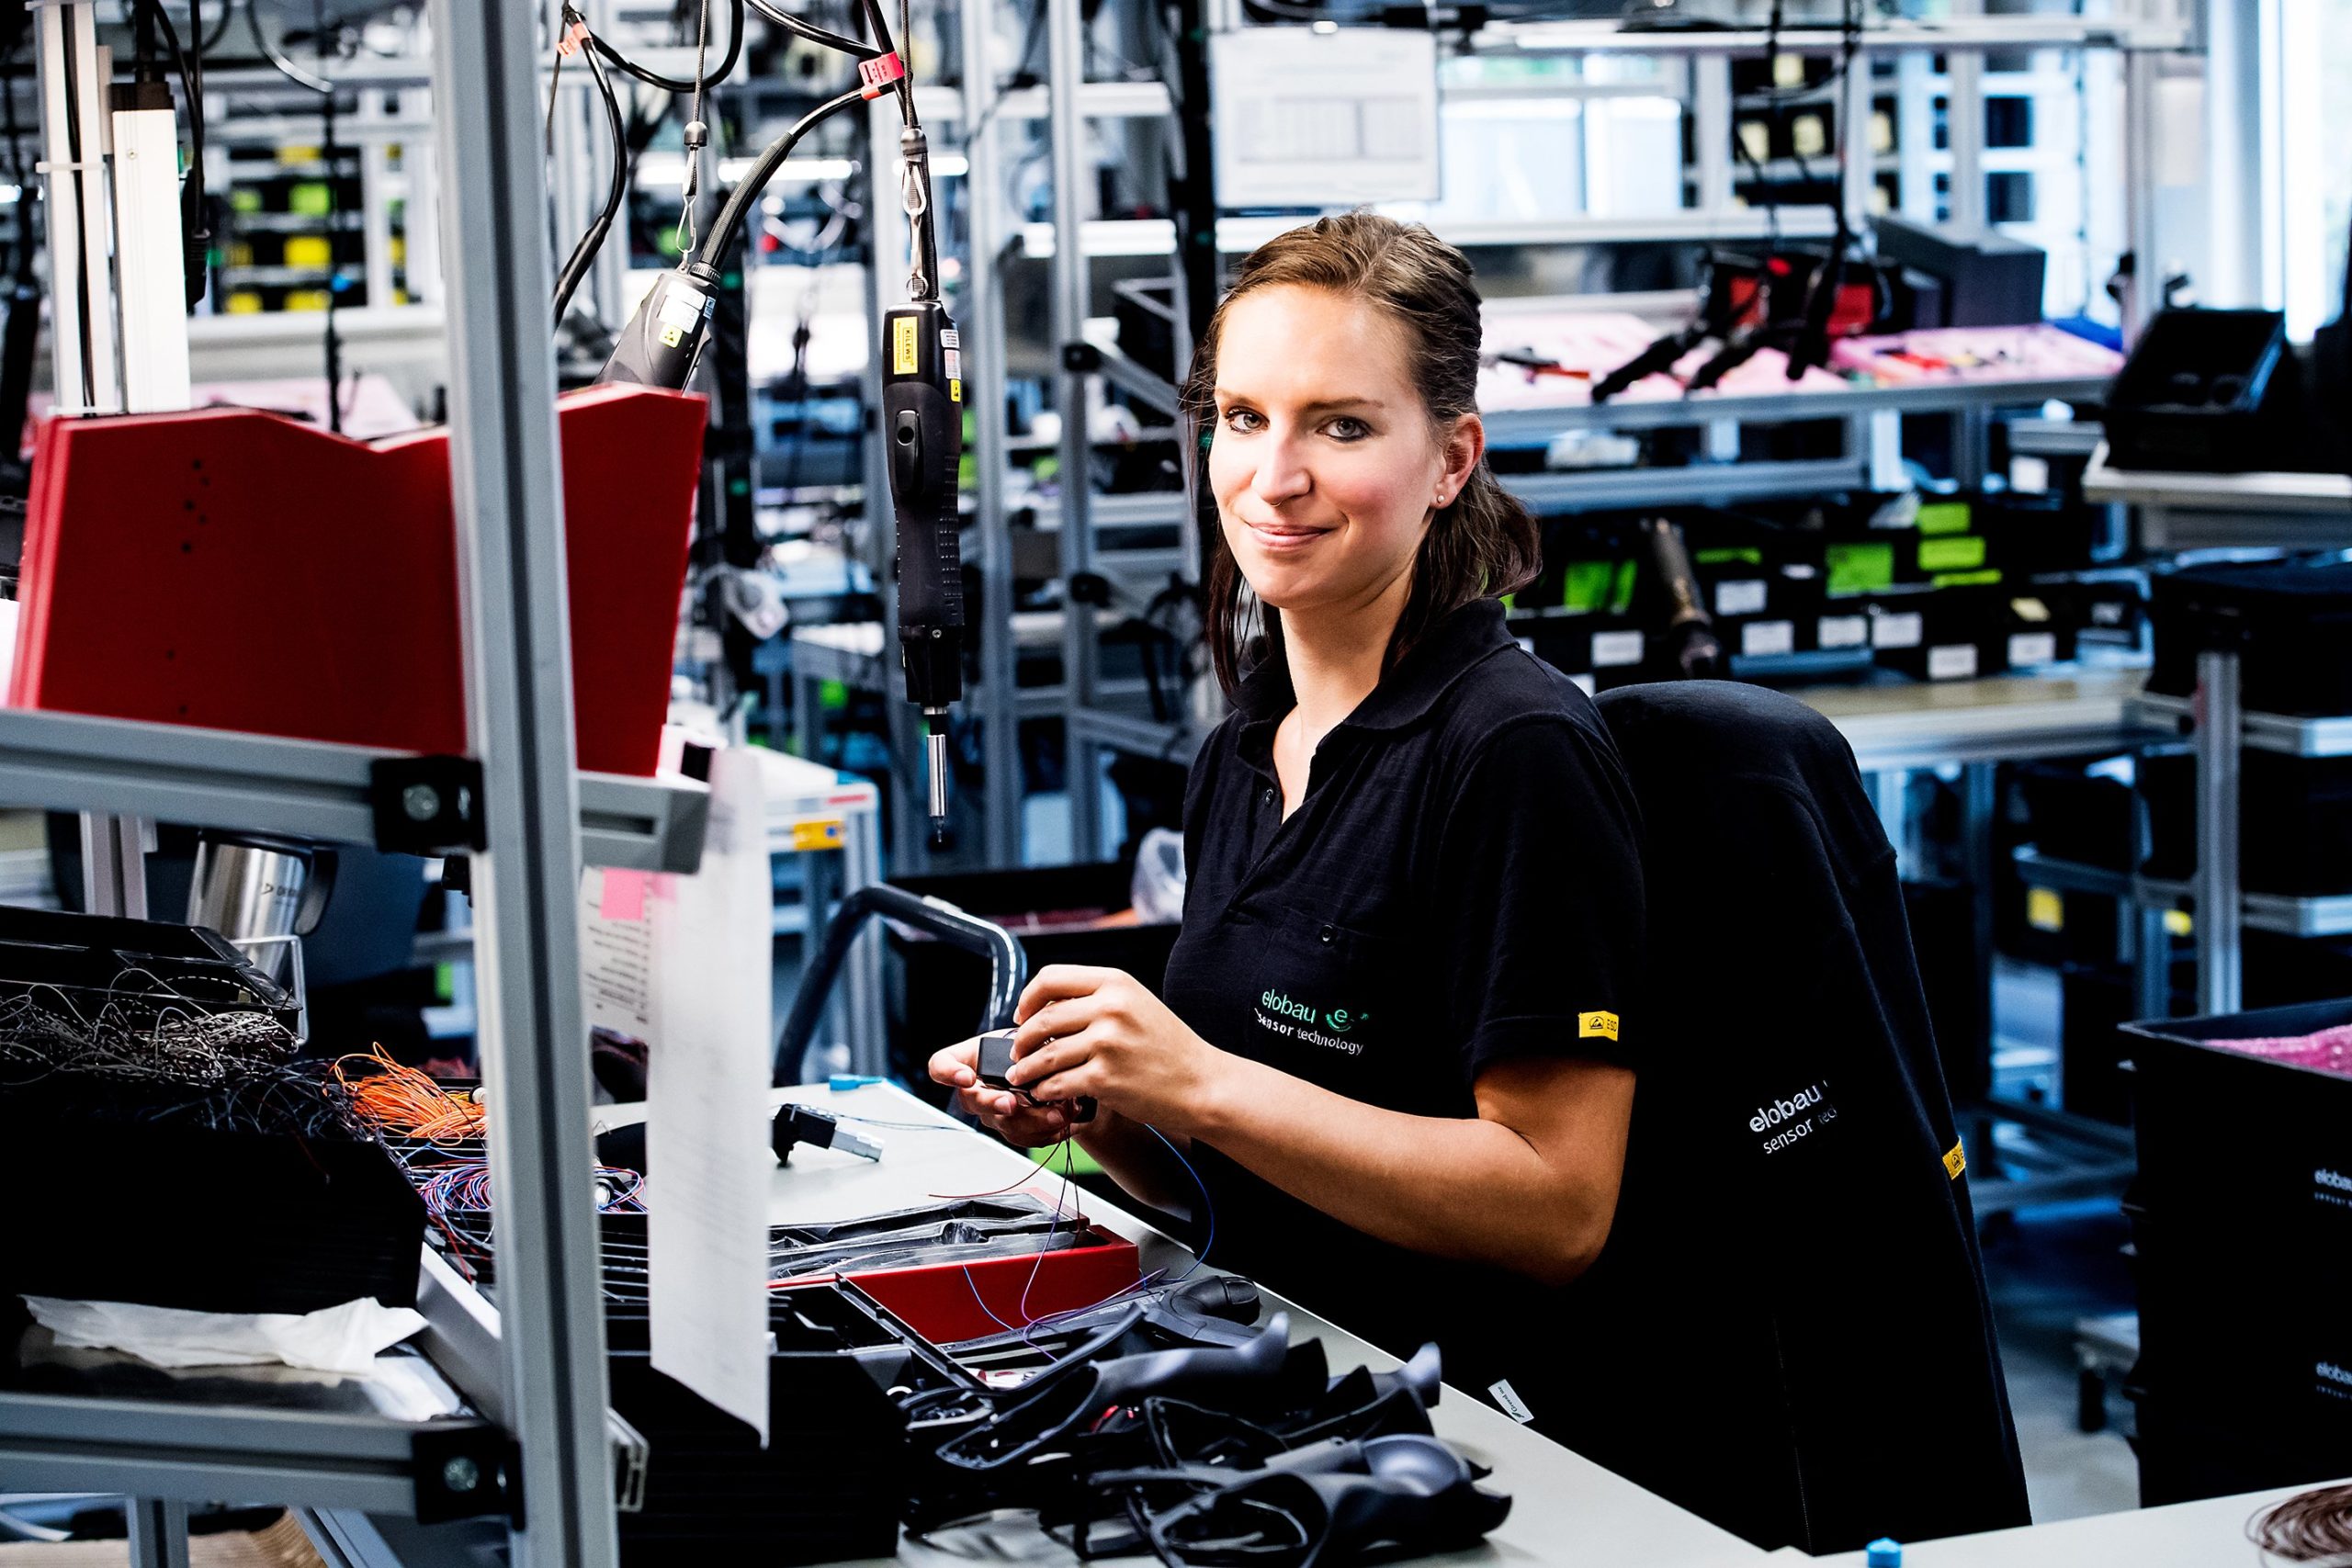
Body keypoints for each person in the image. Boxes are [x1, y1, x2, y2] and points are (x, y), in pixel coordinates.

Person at [931, 209, 1643, 1420]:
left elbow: (1557, 1207)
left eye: (1343, 425)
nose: (1275, 478)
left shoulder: (1512, 753)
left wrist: (1199, 1082)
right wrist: (1108, 1113)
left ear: (1452, 459)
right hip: (1265, 1370)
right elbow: (1246, 1179)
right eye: (1245, 420)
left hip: (1452, 1427)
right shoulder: (1245, 755)